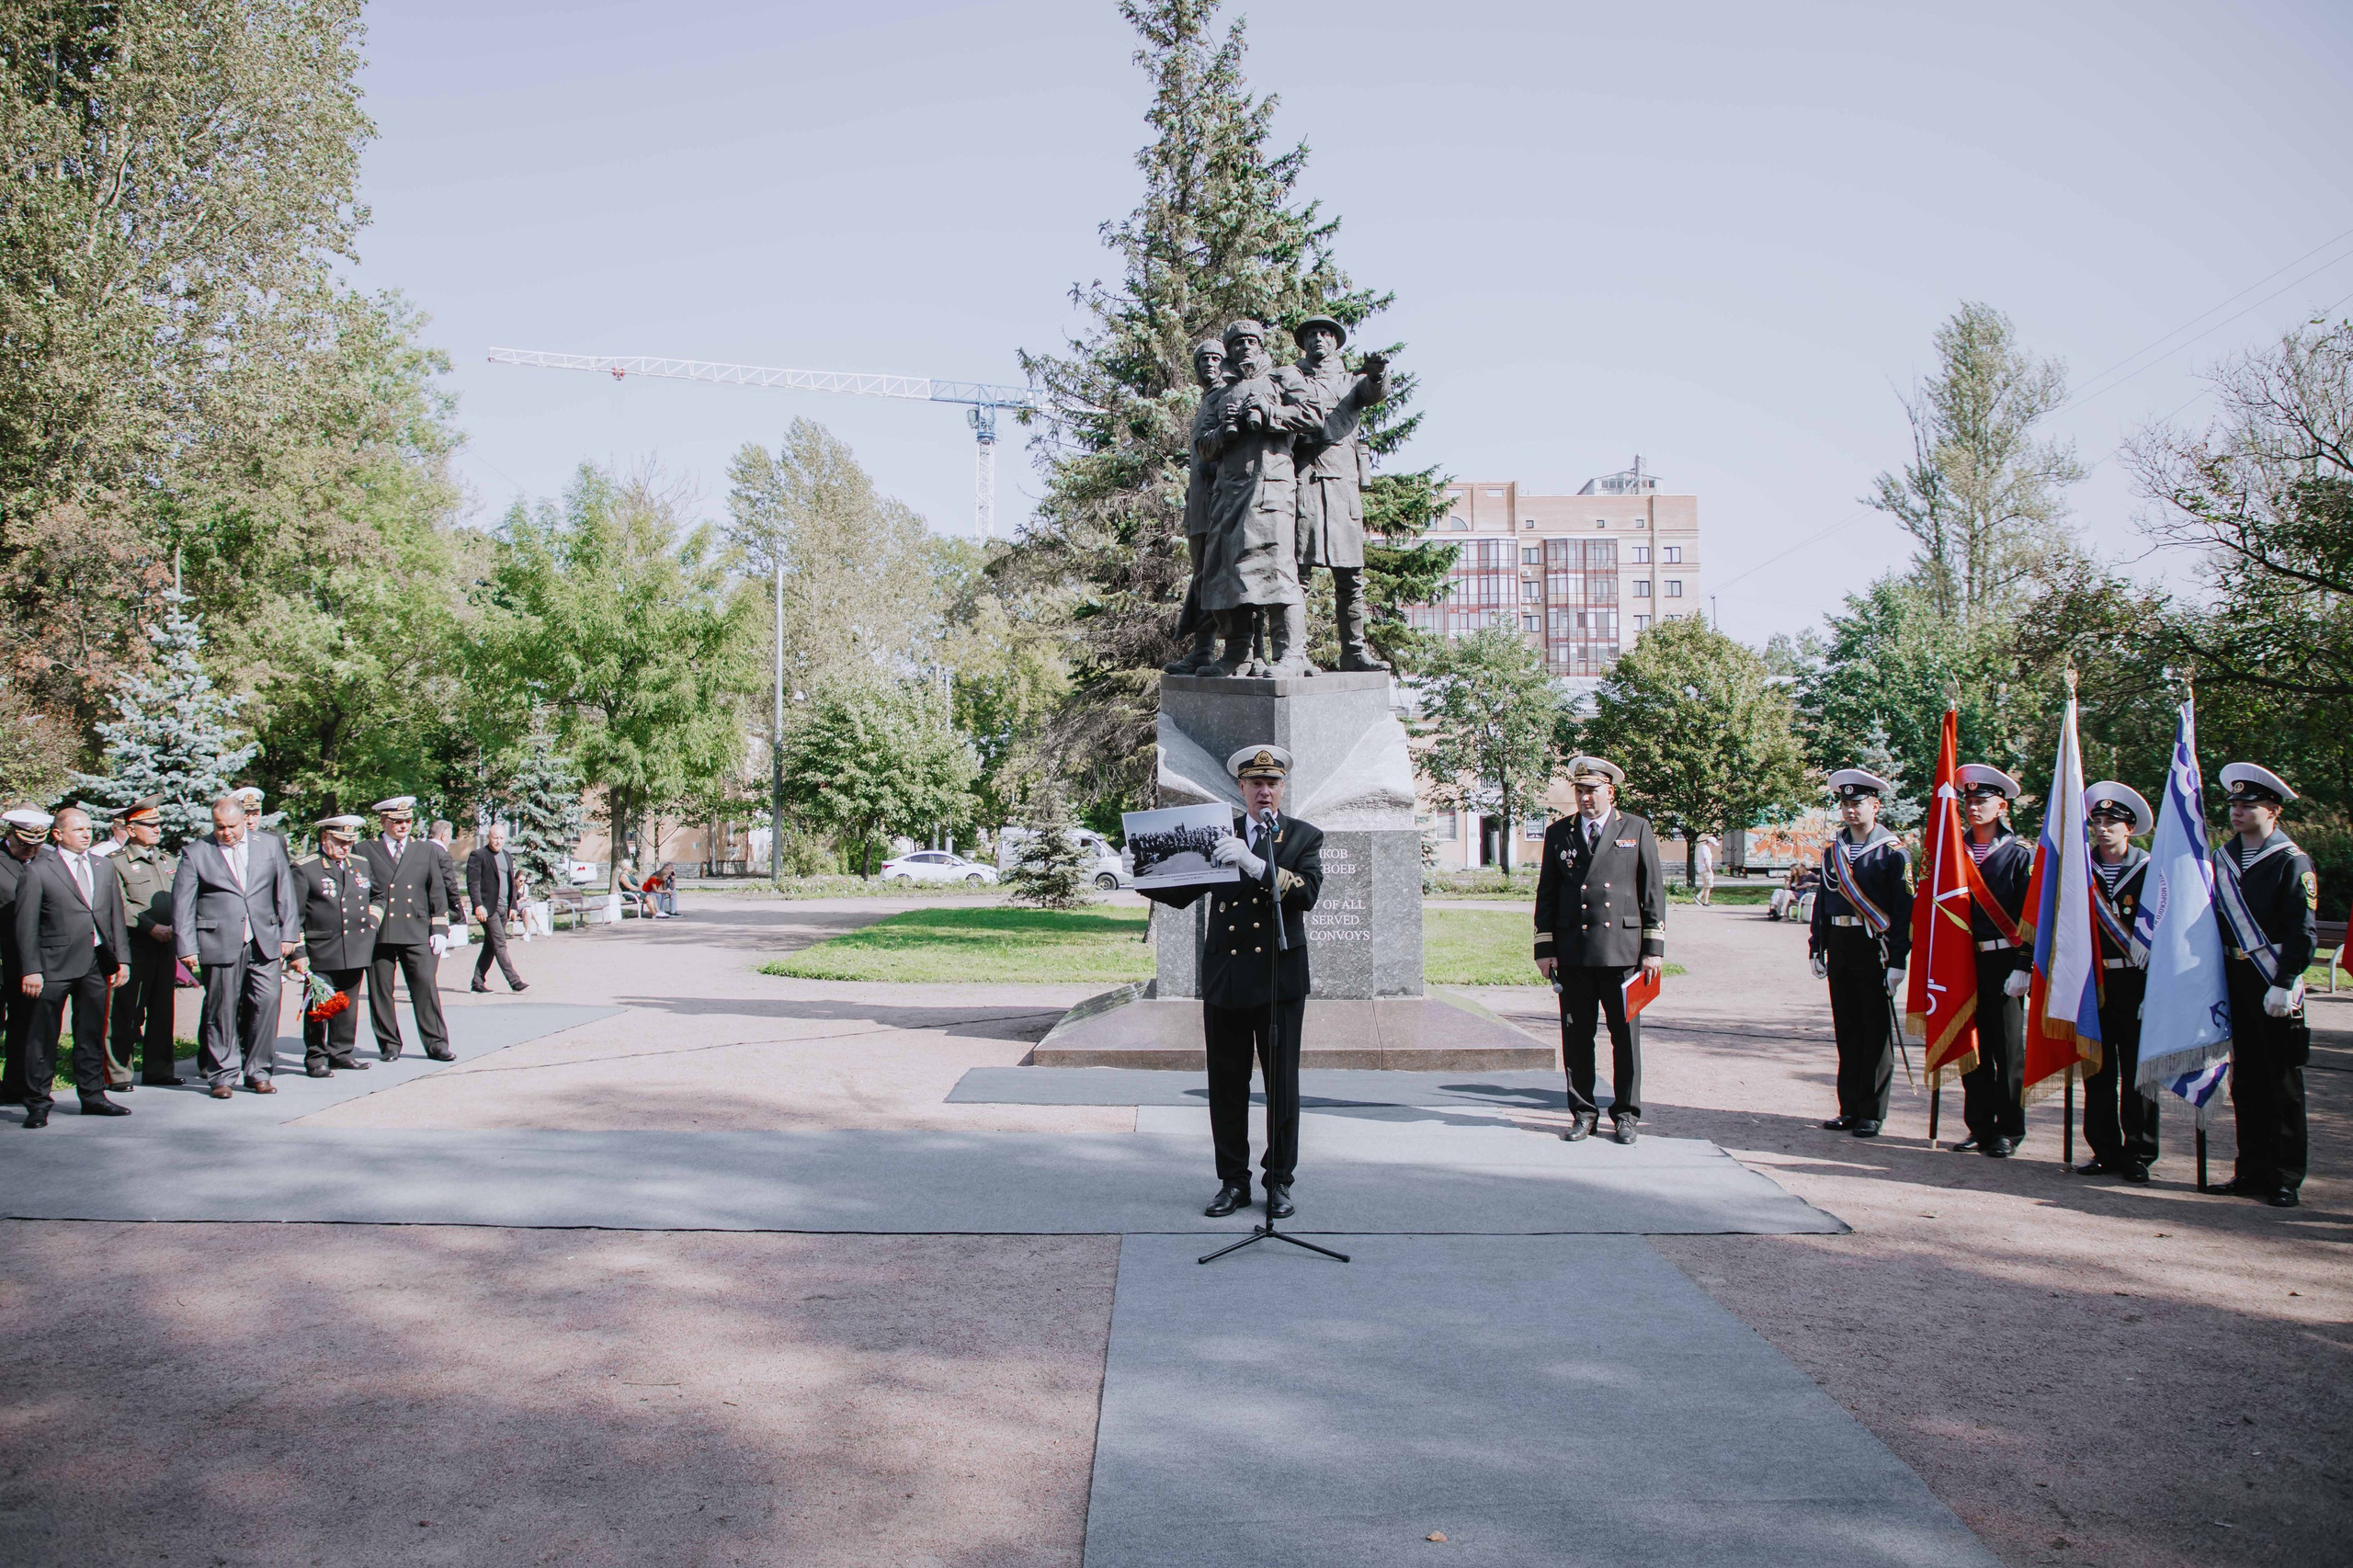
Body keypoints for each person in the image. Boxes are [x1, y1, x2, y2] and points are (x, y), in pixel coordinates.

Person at [1138, 744, 1324, 1219]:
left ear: (1282, 789)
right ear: (1240, 788)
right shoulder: (1218, 834)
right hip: (1227, 977)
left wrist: (1255, 863)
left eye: (1272, 783)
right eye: (1255, 784)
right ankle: (1232, 1181)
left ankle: (1279, 1179)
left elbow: (1307, 893)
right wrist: (1139, 870)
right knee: (1226, 1084)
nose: (1265, 791)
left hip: (1279, 977)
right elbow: (1181, 888)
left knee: (1282, 1085)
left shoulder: (1303, 836)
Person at [1533, 756, 1665, 1144]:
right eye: (1579, 790)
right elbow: (1548, 893)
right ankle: (1583, 1112)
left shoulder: (1637, 829)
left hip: (1623, 953)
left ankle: (1625, 1114)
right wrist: (1545, 947)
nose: (1585, 798)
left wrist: (1653, 948)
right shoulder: (1560, 833)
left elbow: (1651, 892)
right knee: (1577, 1037)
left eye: (1592, 790)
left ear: (1610, 791)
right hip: (1575, 951)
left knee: (1625, 1038)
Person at [2210, 763, 2318, 1209]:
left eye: (2247, 804)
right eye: (2234, 804)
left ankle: (2285, 1175)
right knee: (2247, 1080)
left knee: (2282, 1082)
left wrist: (2286, 979)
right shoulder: (2222, 859)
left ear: (2272, 810)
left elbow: (2302, 930)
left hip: (2272, 980)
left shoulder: (2293, 861)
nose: (2237, 811)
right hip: (2234, 979)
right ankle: (2251, 1169)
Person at [1199, 320, 1322, 677]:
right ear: (1230, 350)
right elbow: (1203, 448)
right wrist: (1224, 430)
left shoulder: (1283, 378)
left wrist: (1271, 414)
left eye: (1252, 341)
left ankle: (1291, 656)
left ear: (1262, 345)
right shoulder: (1220, 394)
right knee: (1224, 573)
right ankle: (1238, 654)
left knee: (1277, 569)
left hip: (1271, 489)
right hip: (1229, 493)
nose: (1245, 348)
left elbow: (1314, 416)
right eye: (1237, 343)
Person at [1808, 771, 1915, 1138]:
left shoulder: (1893, 853)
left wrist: (1899, 960)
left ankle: (1872, 1111)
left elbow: (1903, 912)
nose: (1850, 810)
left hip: (1875, 948)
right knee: (1847, 1029)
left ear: (1876, 806)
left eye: (1858, 803)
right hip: (1839, 942)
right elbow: (1823, 902)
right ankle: (1849, 1107)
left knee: (1875, 1031)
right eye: (1846, 803)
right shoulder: (1832, 851)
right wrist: (1816, 945)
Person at [171, 793, 300, 1097]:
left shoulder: (269, 845)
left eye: (231, 826)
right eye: (219, 827)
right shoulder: (196, 852)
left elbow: (285, 891)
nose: (226, 832)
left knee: (267, 1004)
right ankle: (222, 1075)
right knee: (222, 1009)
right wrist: (186, 947)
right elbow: (182, 905)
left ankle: (258, 1072)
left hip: (264, 940)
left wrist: (289, 934)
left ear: (246, 820)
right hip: (219, 941)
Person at [14, 805, 132, 1126]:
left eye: (88, 828)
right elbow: (26, 926)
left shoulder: (103, 866)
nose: (86, 834)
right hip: (53, 966)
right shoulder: (38, 869)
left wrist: (121, 959)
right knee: (43, 1036)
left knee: (91, 1032)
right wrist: (31, 969)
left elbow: (114, 917)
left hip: (95, 962)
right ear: (58, 834)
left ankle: (93, 1096)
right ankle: (38, 1102)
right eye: (78, 829)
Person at [1288, 313, 1392, 673]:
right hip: (1306, 483)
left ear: (1335, 341)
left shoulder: (1351, 381)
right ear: (1304, 342)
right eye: (1312, 333)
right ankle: (1293, 654)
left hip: (1343, 489)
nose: (1319, 338)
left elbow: (1371, 391)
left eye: (1326, 333)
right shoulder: (1292, 378)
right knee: (1297, 576)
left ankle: (1353, 651)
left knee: (1350, 578)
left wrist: (1377, 374)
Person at [2075, 781, 2156, 1183]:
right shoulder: (2078, 870)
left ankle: (2139, 1152)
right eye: (2098, 821)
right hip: (2093, 981)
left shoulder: (2151, 870)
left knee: (2139, 1072)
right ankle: (2104, 1150)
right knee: (2099, 1070)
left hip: (2136, 981)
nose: (2103, 828)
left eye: (2113, 822)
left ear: (2130, 828)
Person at [1953, 763, 2032, 1157]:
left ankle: (2010, 1128)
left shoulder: (2019, 855)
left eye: (1982, 800)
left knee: (2006, 1048)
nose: (1973, 807)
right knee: (1972, 1044)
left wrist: (2024, 964)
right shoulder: (1953, 852)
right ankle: (1979, 1125)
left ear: (2001, 805)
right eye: (1968, 800)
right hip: (1964, 961)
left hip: (2004, 962)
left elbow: (2030, 917)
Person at [358, 796, 451, 1061]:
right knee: (380, 991)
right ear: (383, 821)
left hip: (416, 928)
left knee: (425, 987)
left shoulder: (425, 850)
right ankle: (389, 1044)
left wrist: (440, 929)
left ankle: (436, 1043)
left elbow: (436, 891)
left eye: (408, 821)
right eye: (398, 821)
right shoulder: (365, 850)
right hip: (381, 930)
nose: (404, 826)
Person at [291, 814, 379, 1076]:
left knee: (347, 1004)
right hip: (322, 949)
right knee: (321, 1006)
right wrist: (297, 951)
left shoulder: (360, 864)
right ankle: (316, 1057)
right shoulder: (306, 868)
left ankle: (341, 1052)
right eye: (340, 842)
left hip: (355, 946)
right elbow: (294, 914)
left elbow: (378, 895)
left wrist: (373, 918)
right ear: (324, 838)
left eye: (349, 843)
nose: (345, 848)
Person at [1163, 336, 1230, 676]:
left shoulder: (1227, 397)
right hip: (1200, 507)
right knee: (1202, 579)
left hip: (1221, 502)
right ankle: (1202, 650)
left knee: (1218, 577)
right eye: (1203, 360)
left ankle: (1240, 651)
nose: (1208, 364)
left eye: (1215, 358)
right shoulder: (1206, 401)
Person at [107, 797, 182, 1088]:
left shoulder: (168, 861)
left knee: (163, 1009)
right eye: (149, 824)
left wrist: (176, 926)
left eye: (158, 823)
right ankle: (119, 1073)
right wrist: (151, 928)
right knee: (126, 1010)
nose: (156, 829)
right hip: (134, 945)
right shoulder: (116, 863)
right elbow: (120, 904)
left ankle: (159, 1069)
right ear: (131, 828)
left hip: (165, 947)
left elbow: (180, 899)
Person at [0, 808, 53, 1106]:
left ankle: (16, 1085)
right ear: (10, 834)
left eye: (36, 844)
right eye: (24, 844)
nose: (30, 850)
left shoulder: (47, 859)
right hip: (3, 954)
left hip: (33, 957)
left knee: (25, 1024)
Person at [466, 821, 529, 993]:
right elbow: (473, 883)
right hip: (488, 909)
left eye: (501, 838)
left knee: (490, 946)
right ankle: (514, 981)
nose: (498, 841)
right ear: (489, 837)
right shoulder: (478, 855)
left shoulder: (507, 856)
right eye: (495, 838)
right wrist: (478, 905)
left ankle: (477, 983)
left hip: (504, 908)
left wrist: (513, 906)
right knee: (500, 944)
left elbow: (511, 883)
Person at [1693, 835, 1717, 907]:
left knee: (1707, 885)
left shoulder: (1702, 847)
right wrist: (1710, 870)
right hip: (1706, 869)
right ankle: (1698, 896)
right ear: (1709, 843)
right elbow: (1706, 860)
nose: (1713, 846)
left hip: (1702, 869)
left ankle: (1706, 901)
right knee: (1708, 884)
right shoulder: (1705, 849)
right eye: (1713, 845)